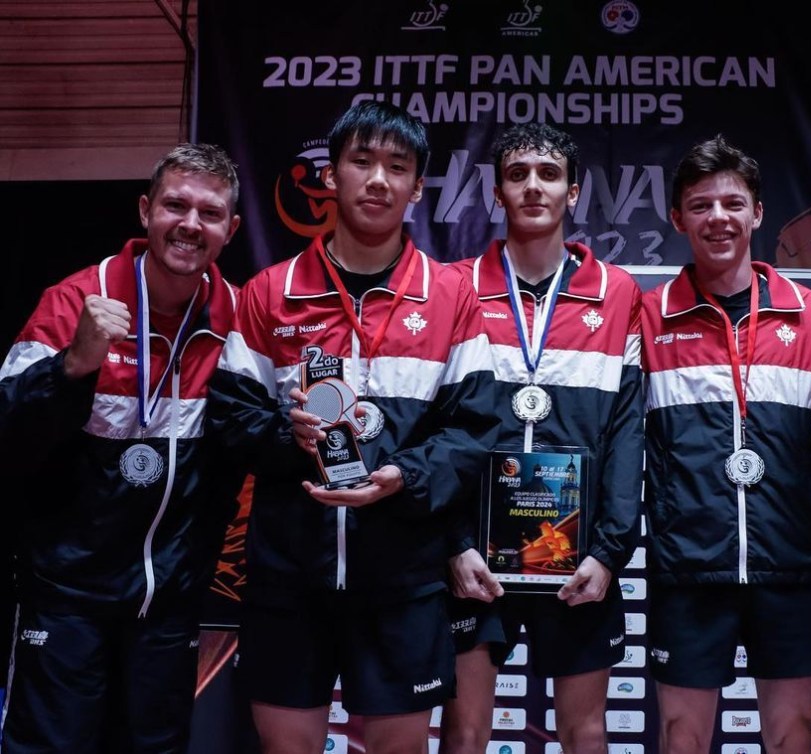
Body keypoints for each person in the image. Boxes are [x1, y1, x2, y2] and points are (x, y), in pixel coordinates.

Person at [207, 100, 494, 754]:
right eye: (361, 162)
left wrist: (404, 476)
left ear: (417, 188)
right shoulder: (268, 293)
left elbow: (475, 429)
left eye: (397, 167)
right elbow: (229, 418)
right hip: (288, 574)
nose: (378, 180)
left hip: (403, 578)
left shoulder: (451, 298)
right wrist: (290, 439)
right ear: (330, 176)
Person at [0, 143, 243, 753]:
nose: (190, 224)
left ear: (231, 229)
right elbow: (7, 434)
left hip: (169, 604)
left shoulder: (240, 319)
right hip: (66, 597)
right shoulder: (72, 301)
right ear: (144, 210)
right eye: (175, 205)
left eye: (209, 213)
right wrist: (73, 366)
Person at [440, 122, 644, 754]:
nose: (534, 187)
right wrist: (453, 544)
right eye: (518, 174)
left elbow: (626, 434)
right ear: (496, 191)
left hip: (576, 556)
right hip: (475, 558)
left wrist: (609, 553)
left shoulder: (618, 294)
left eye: (548, 174)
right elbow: (434, 428)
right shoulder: (455, 287)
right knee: (465, 730)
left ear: (573, 192)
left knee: (585, 730)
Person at [638, 135, 811, 754]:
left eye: (733, 203)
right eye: (701, 206)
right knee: (682, 737)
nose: (718, 219)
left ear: (757, 213)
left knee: (790, 736)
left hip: (792, 565)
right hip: (688, 568)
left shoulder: (810, 316)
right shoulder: (648, 318)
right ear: (678, 218)